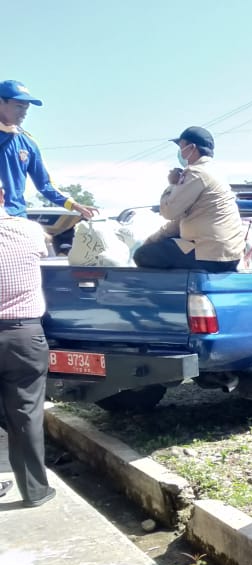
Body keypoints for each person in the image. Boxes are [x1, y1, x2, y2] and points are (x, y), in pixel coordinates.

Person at [0, 180, 57, 508]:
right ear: (3, 196)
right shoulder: (30, 230)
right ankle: (34, 491)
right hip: (24, 336)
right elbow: (44, 249)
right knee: (25, 414)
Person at [133, 126, 245, 271]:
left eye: (181, 147)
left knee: (143, 255)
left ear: (192, 148)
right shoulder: (215, 172)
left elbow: (169, 212)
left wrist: (172, 185)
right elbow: (178, 223)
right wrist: (153, 239)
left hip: (208, 256)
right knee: (162, 246)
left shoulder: (196, 172)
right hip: (228, 256)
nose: (180, 152)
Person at [0, 79, 98, 219]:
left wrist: (73, 205)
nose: (24, 113)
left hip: (16, 218)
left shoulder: (27, 143)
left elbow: (45, 184)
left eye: (26, 108)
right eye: (19, 106)